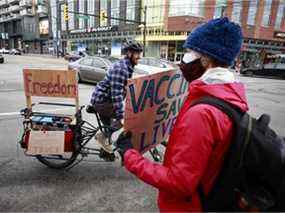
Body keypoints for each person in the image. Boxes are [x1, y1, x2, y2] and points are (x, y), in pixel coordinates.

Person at [116, 17, 248, 212]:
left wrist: (130, 155)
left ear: (205, 59)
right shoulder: (230, 95)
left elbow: (178, 183)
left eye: (188, 52)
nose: (182, 61)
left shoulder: (202, 113)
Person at [89, 40, 143, 153]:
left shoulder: (127, 67)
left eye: (140, 53)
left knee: (108, 128)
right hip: (103, 102)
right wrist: (121, 116)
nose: (140, 57)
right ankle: (102, 137)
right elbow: (116, 94)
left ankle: (105, 151)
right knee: (126, 120)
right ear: (129, 53)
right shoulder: (121, 69)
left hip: (105, 100)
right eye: (137, 53)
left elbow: (125, 88)